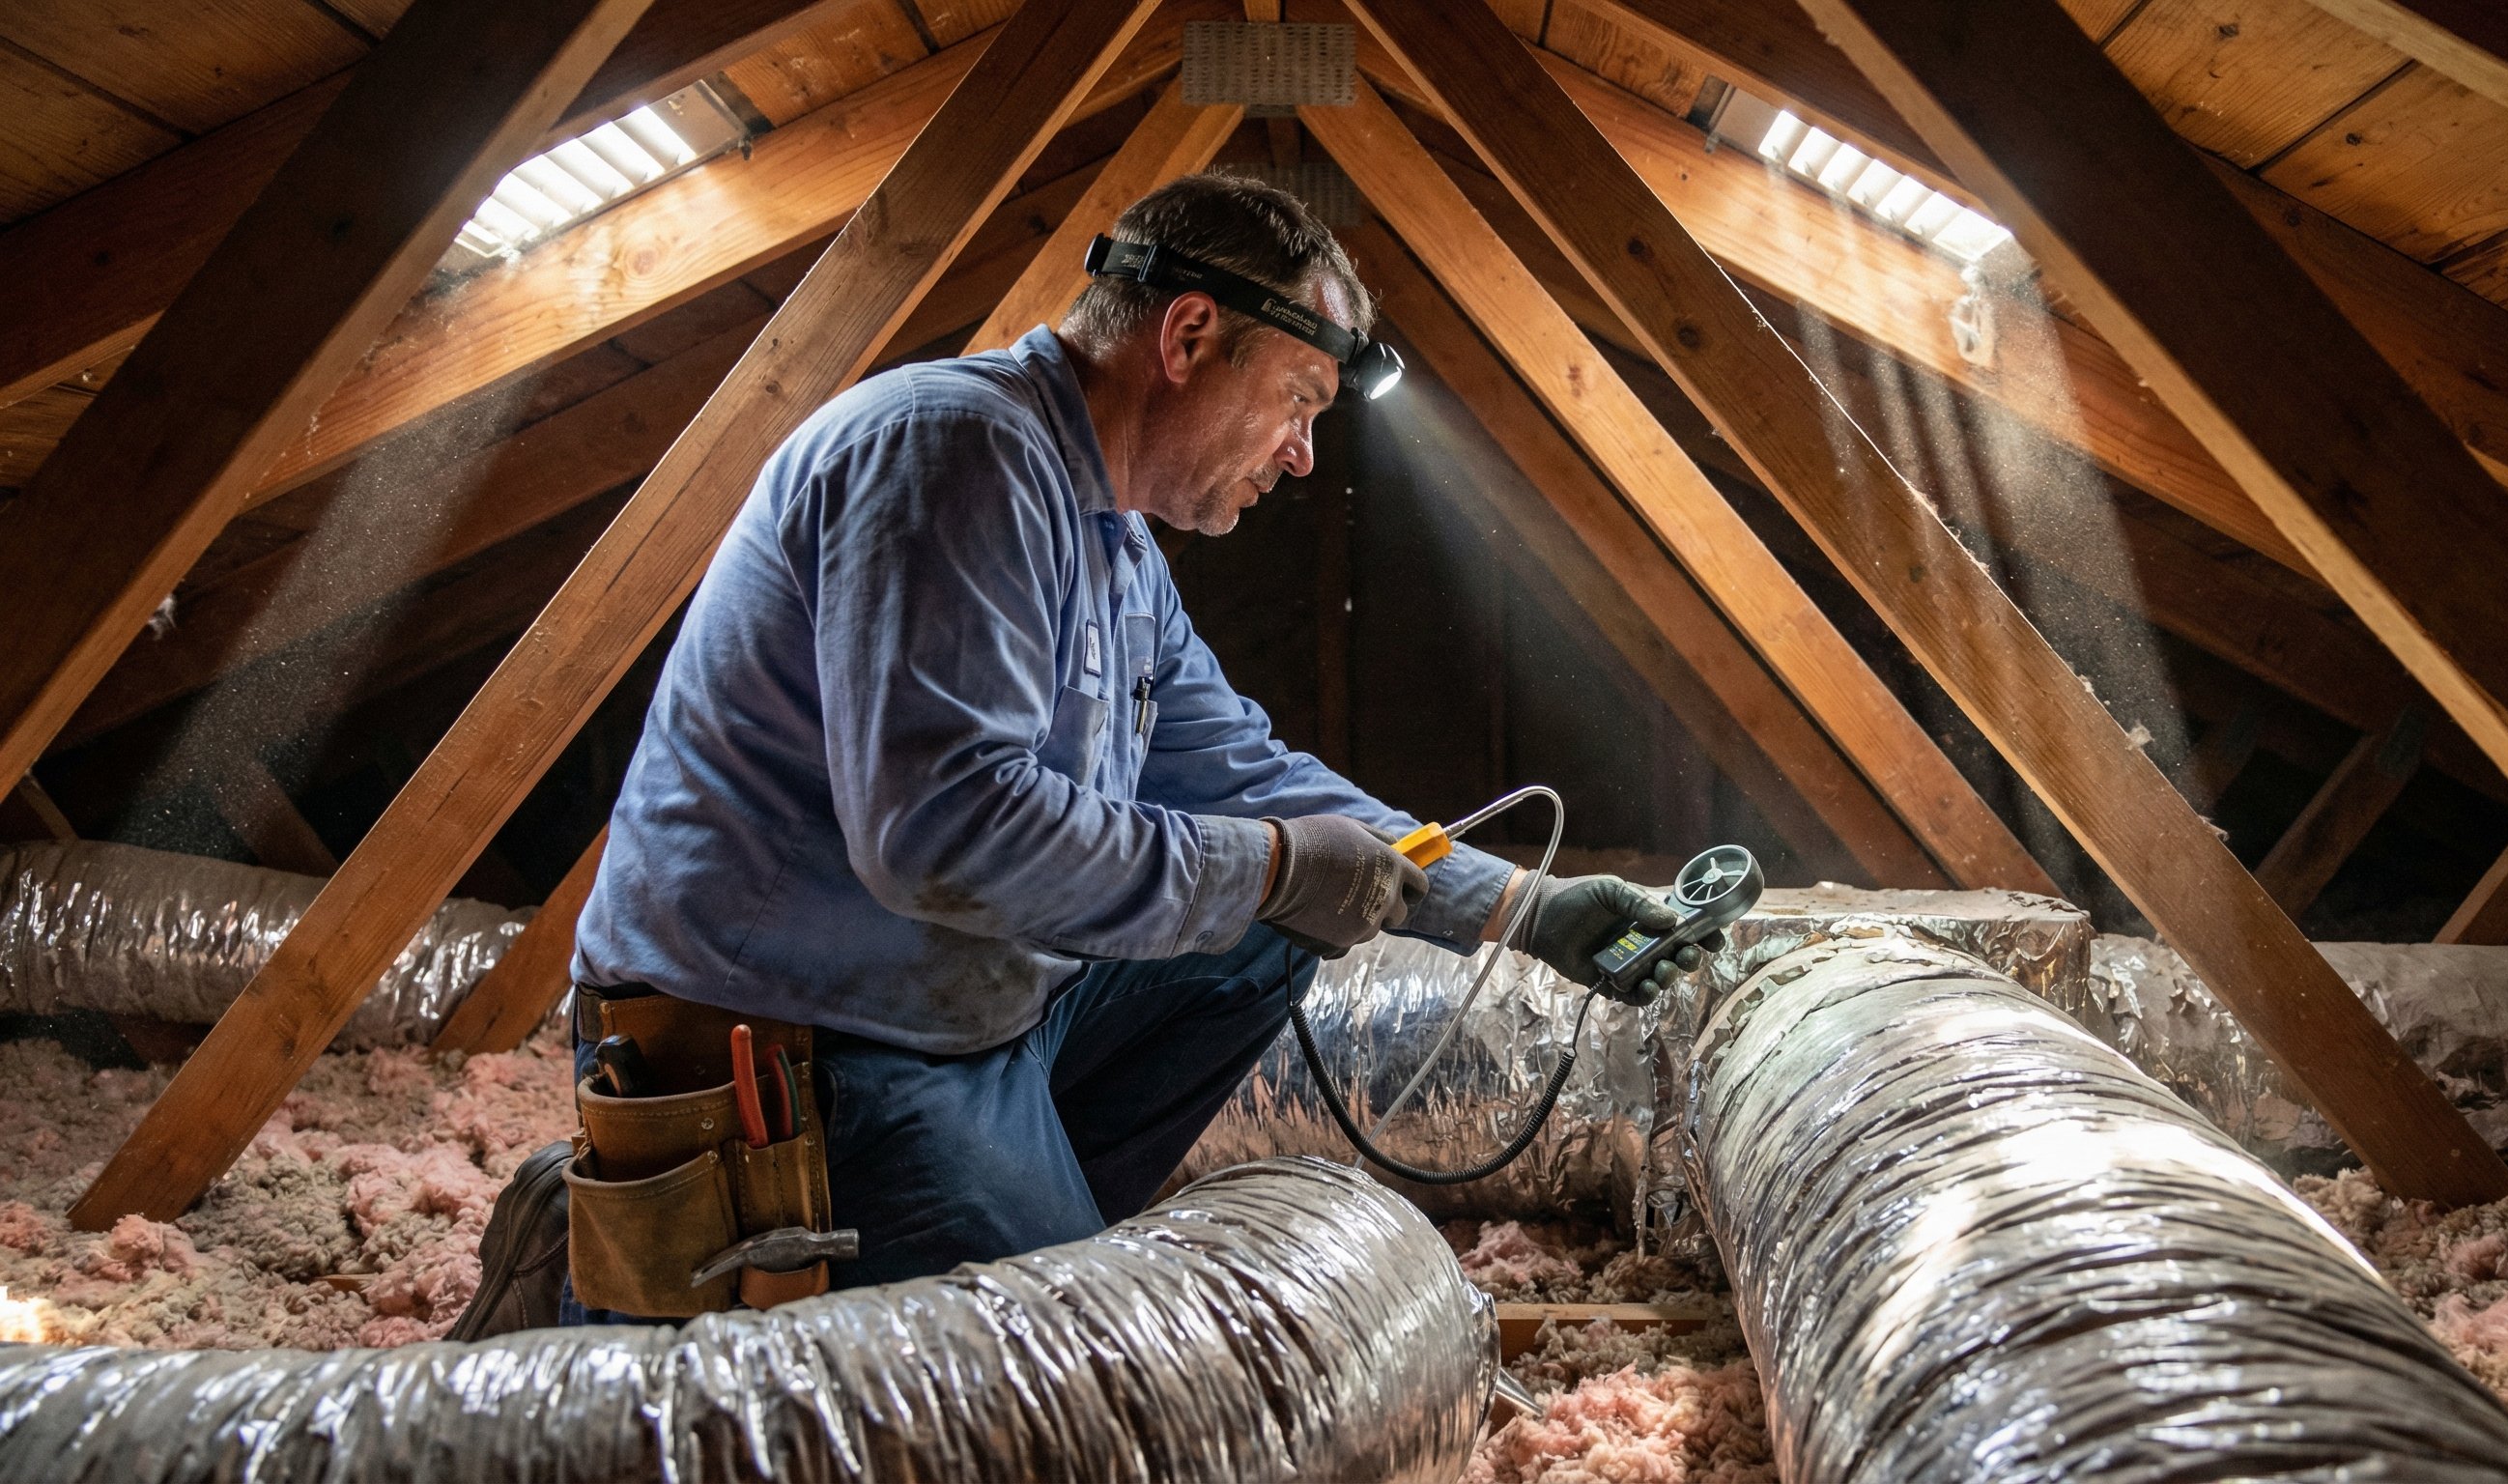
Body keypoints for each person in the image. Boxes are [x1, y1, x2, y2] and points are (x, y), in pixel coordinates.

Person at [457, 174, 1717, 1331]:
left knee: (1267, 931)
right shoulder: (953, 452)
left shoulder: (1106, 535)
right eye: (1298, 401)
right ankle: (662, 1245)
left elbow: (1244, 771)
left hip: (974, 1017)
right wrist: (1274, 867)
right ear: (1186, 339)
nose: (1301, 453)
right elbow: (944, 833)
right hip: (805, 1060)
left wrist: (1515, 904)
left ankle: (1001, 1219)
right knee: (1081, 1380)